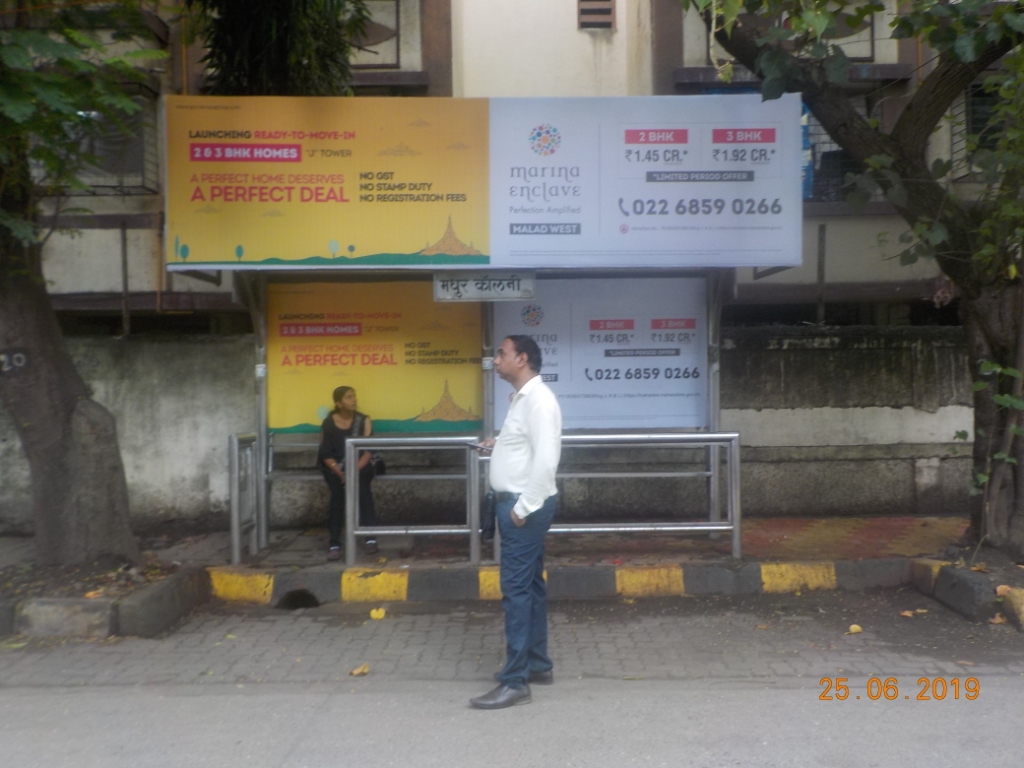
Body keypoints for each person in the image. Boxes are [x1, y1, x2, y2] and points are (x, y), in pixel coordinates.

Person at [470, 335, 562, 710]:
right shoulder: (522, 399)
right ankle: (537, 665)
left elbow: (546, 461)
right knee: (531, 588)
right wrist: (501, 445)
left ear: (522, 359)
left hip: (524, 509)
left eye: (503, 354)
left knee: (516, 592)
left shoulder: (539, 402)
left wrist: (522, 509)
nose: (496, 359)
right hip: (520, 506)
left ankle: (515, 681)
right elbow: (526, 449)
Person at [317, 386, 380, 560]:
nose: (354, 400)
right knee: (337, 496)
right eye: (348, 397)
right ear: (338, 403)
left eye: (354, 396)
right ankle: (334, 543)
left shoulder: (363, 420)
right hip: (336, 468)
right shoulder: (328, 423)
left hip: (361, 466)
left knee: (362, 491)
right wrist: (341, 474)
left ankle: (371, 539)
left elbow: (369, 450)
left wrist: (352, 472)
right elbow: (325, 455)